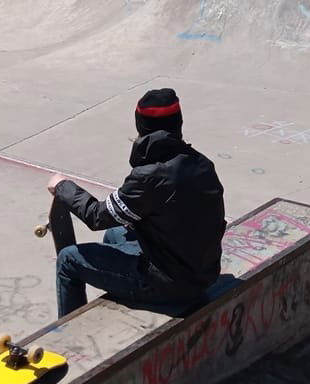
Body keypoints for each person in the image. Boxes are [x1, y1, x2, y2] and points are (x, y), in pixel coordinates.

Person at [47, 88, 226, 318]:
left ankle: (69, 334)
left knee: (68, 259)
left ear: (141, 127)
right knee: (115, 234)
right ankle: (121, 297)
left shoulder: (149, 176)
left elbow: (97, 216)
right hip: (201, 272)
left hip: (171, 285)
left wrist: (63, 187)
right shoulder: (201, 163)